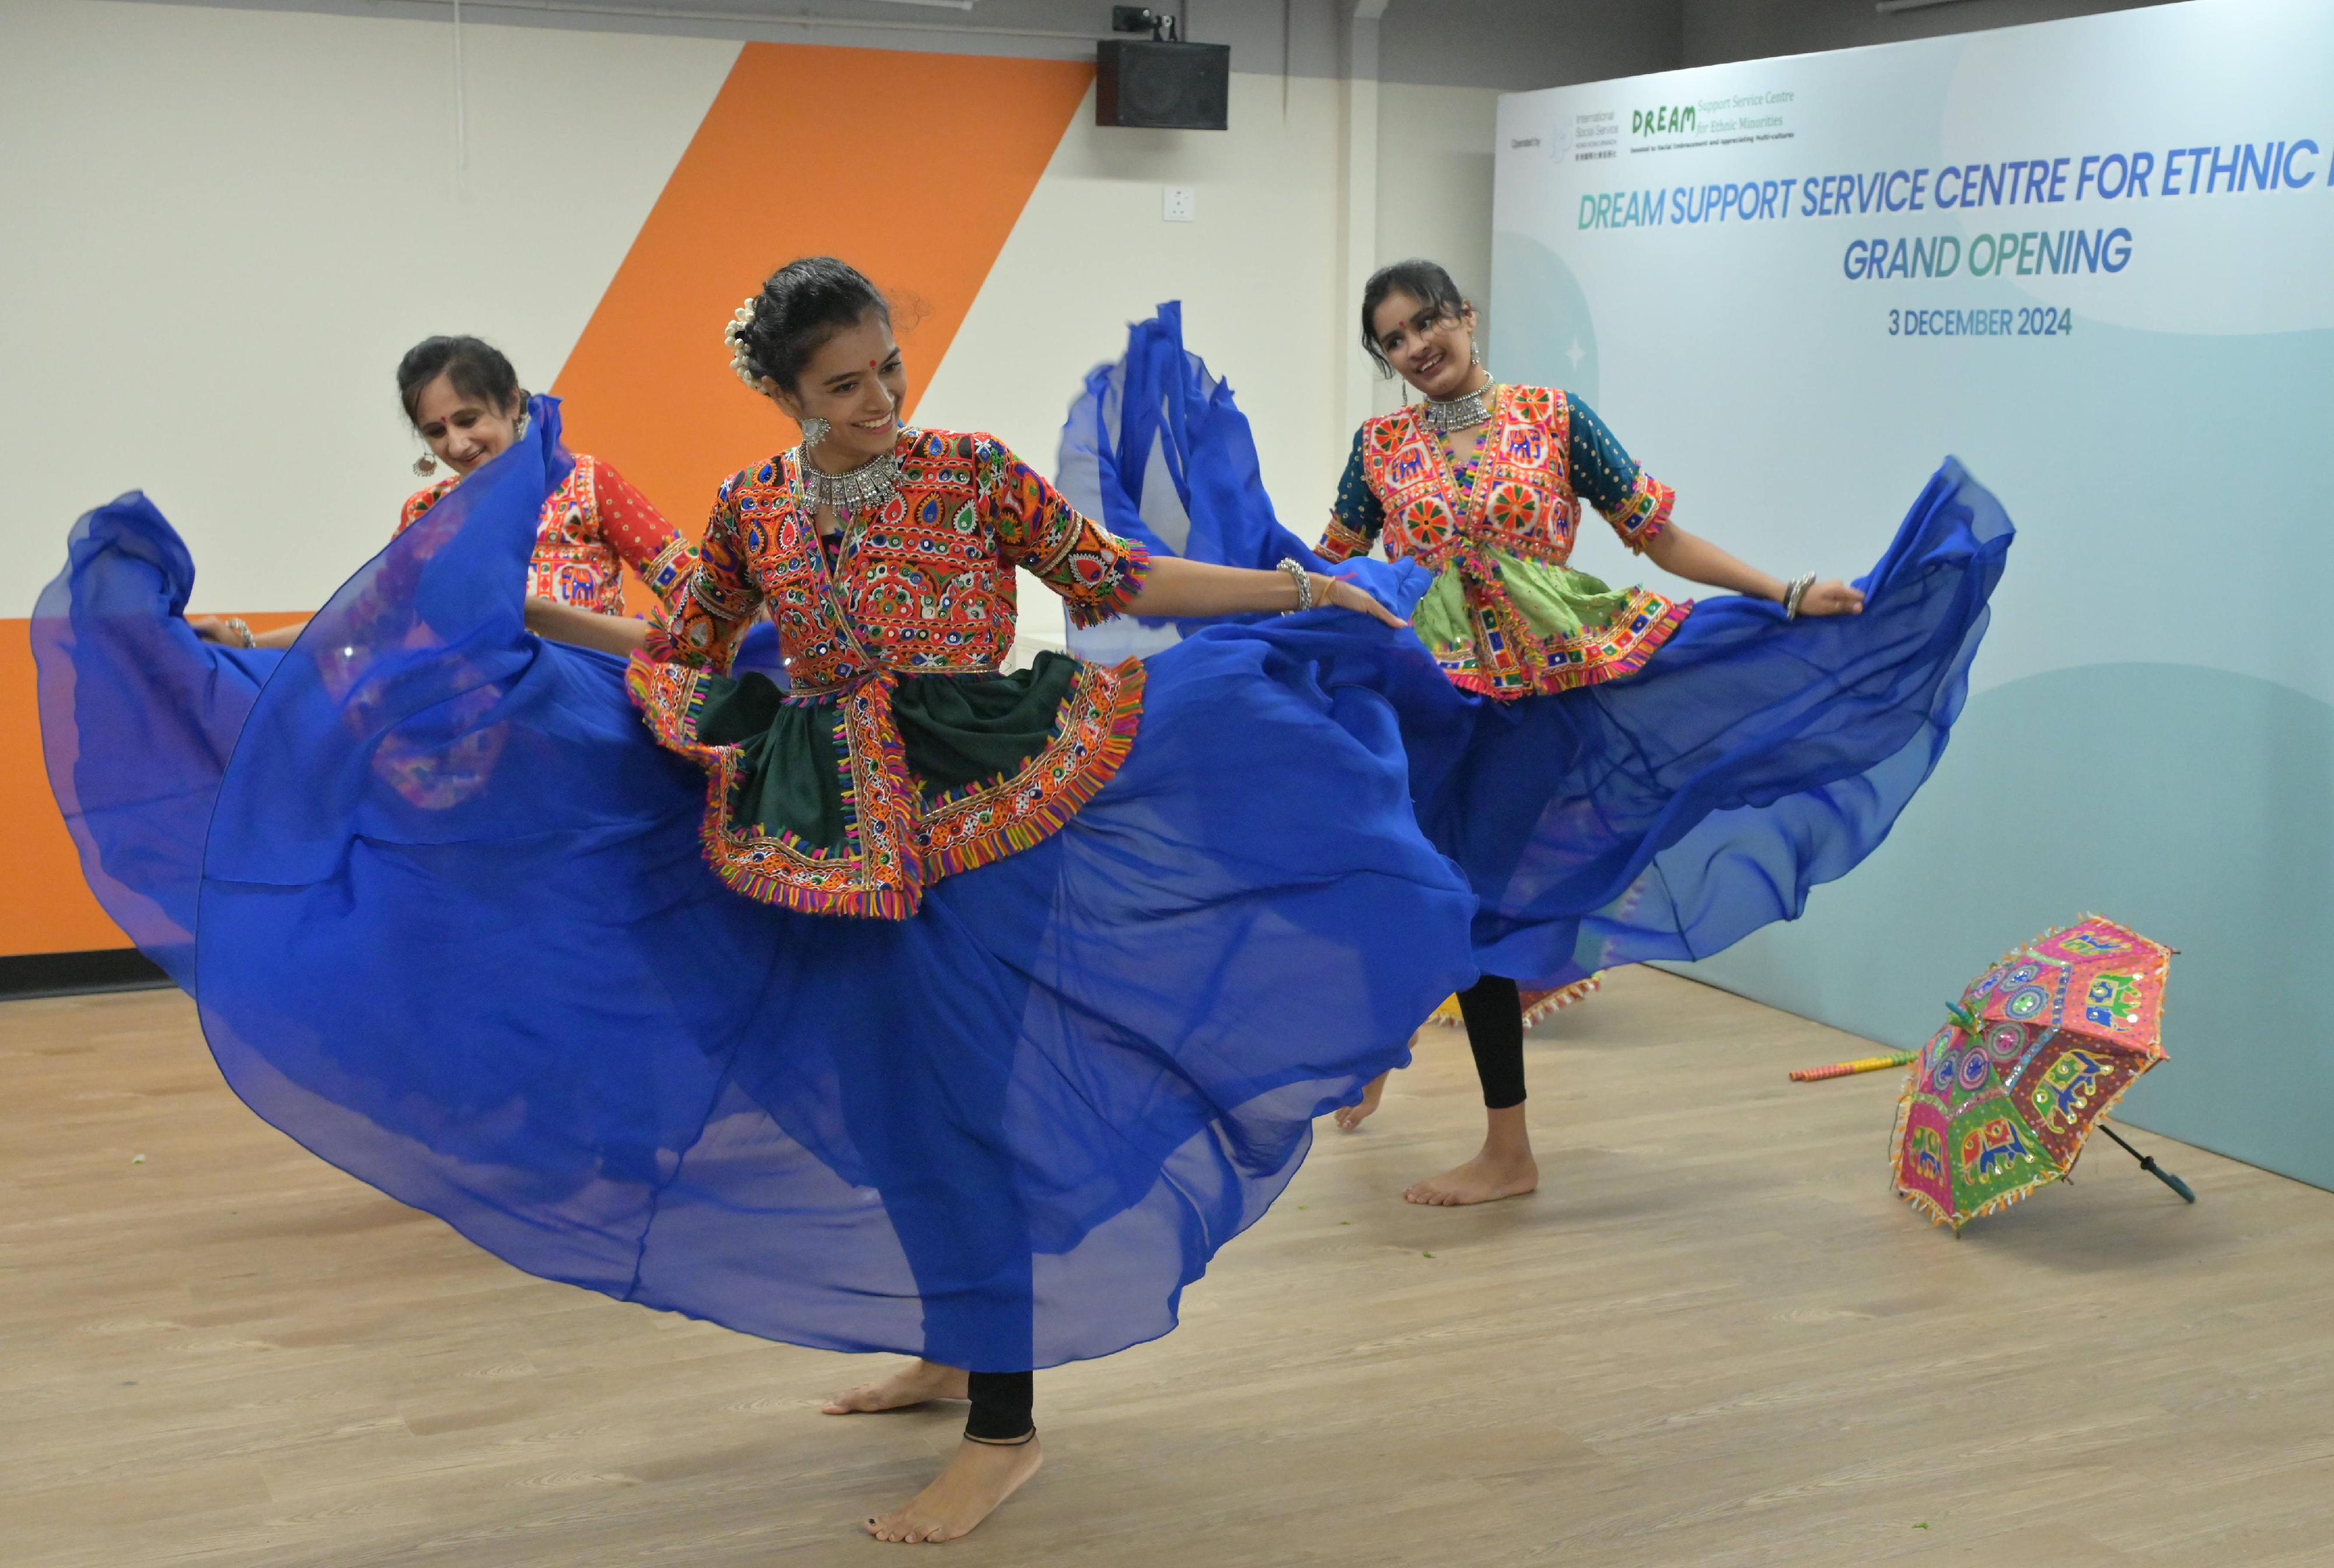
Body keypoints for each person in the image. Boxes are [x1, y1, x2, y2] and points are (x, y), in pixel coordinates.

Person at [180, 259, 1484, 1545]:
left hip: (980, 806)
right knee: (877, 1103)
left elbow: (1116, 580)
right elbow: (675, 645)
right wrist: (513, 611)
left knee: (955, 1105)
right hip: (824, 822)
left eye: (887, 371)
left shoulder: (967, 471)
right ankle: (952, 1346)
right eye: (843, 385)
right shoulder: (755, 507)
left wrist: (1304, 590)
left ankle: (1005, 1433)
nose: (878, 401)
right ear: (786, 392)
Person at [33, 335, 696, 992]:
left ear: (513, 403)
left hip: (587, 743)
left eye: (467, 419)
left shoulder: (587, 485)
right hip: (478, 753)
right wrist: (242, 640)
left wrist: (536, 618)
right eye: (434, 431)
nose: (455, 444)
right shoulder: (427, 515)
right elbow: (366, 625)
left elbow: (700, 615)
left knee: (604, 938)